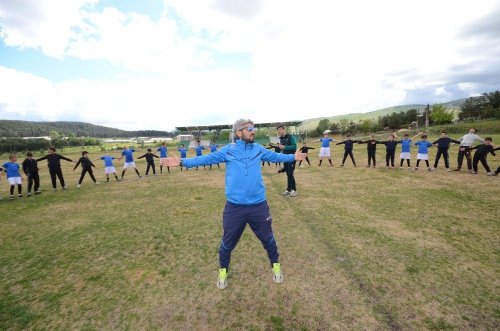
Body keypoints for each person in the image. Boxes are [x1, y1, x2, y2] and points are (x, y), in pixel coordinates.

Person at [161, 118, 306, 289]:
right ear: (238, 133)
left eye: (253, 128)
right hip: (235, 208)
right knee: (227, 244)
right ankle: (223, 271)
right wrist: (183, 162)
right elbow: (206, 159)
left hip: (258, 206)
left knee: (268, 240)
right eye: (249, 128)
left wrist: (292, 156)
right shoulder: (228, 150)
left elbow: (275, 156)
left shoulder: (258, 149)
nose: (253, 131)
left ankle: (276, 266)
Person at [276, 123, 298, 196]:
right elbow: (282, 149)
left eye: (280, 130)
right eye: (278, 130)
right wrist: (279, 148)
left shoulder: (290, 137)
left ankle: (294, 190)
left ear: (283, 129)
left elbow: (294, 146)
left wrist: (284, 147)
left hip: (292, 158)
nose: (279, 132)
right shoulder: (281, 138)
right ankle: (289, 190)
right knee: (288, 174)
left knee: (291, 174)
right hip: (285, 159)